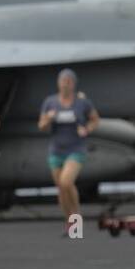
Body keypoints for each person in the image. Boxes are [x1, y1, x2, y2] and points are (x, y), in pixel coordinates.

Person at [38, 68, 100, 235]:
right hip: (56, 149)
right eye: (63, 81)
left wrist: (86, 129)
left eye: (69, 81)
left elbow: (95, 119)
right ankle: (70, 222)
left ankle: (76, 216)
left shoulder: (82, 102)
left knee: (66, 182)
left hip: (76, 148)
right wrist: (49, 118)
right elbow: (42, 126)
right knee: (61, 188)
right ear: (58, 83)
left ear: (73, 83)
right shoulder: (50, 102)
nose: (66, 84)